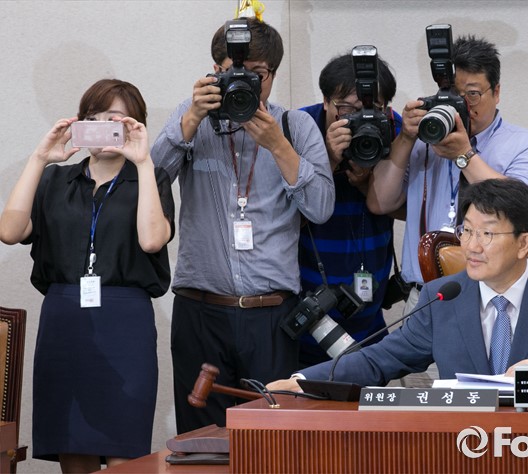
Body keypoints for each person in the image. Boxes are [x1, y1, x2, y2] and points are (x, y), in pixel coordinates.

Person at [150, 16, 334, 434]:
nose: (244, 82)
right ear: (215, 71)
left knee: (272, 441)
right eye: (231, 71)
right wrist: (191, 118)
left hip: (271, 314)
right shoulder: (191, 117)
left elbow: (321, 208)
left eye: (257, 74)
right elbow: (150, 181)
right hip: (200, 310)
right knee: (200, 440)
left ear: (273, 75)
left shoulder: (296, 126)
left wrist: (278, 146)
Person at [268, 179, 528, 390]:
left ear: (523, 244)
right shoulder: (443, 298)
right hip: (460, 446)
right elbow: (379, 360)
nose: (472, 246)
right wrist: (302, 381)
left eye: (487, 234)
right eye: (467, 230)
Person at [0, 79, 174, 472]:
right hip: (64, 322)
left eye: (115, 119)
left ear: (135, 125)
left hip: (125, 327)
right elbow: (9, 231)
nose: (102, 127)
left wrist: (143, 161)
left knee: (124, 454)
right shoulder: (54, 180)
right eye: (92, 119)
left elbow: (151, 240)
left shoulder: (152, 178)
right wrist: (40, 158)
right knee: (73, 450)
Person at [367, 35, 528, 313]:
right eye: (455, 94)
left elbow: (523, 209)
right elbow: (380, 202)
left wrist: (464, 155)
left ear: (496, 92)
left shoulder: (527, 145)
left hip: (492, 297)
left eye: (473, 94)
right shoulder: (423, 143)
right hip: (424, 296)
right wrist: (405, 138)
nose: (462, 104)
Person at [297, 52, 403, 367]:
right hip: (306, 306)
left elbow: (411, 209)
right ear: (325, 101)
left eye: (371, 109)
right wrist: (327, 159)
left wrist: (369, 185)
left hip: (370, 307)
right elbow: (280, 215)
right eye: (346, 109)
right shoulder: (301, 126)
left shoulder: (393, 127)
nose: (359, 120)